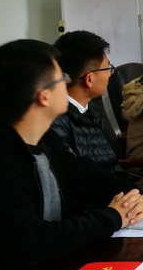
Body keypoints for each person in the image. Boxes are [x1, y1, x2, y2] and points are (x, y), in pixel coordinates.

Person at [0, 40, 143, 270]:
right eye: (62, 78)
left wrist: (132, 196)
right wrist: (112, 218)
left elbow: (94, 179)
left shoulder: (45, 140)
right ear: (43, 96)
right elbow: (29, 243)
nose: (68, 83)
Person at [51, 30, 124, 174]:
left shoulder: (91, 109)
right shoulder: (58, 123)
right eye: (107, 68)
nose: (110, 74)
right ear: (89, 79)